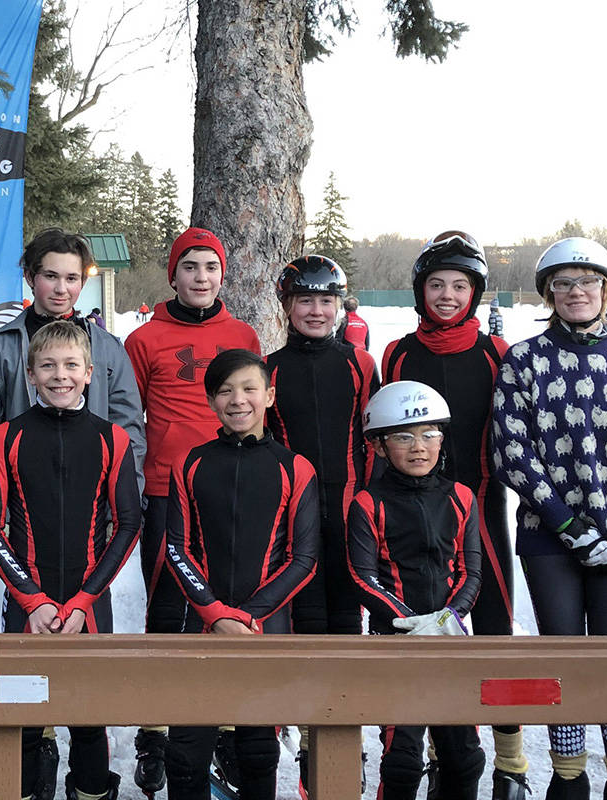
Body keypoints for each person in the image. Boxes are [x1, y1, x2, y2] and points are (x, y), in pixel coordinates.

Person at [0, 228, 144, 800]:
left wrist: (114, 488)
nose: (61, 286)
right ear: (30, 277)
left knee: (89, 704)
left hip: (89, 551)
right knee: (25, 697)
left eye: (72, 277)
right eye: (51, 275)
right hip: (26, 541)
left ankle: (90, 785)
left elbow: (129, 430)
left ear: (87, 370)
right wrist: (4, 488)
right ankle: (30, 779)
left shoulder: (107, 350)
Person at [492, 237, 607, 800]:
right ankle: (567, 777)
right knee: (562, 655)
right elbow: (510, 451)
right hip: (551, 540)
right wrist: (565, 524)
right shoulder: (524, 361)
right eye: (564, 284)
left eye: (587, 282)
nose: (576, 292)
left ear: (605, 291)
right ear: (548, 292)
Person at [380, 230, 525, 798]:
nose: (446, 295)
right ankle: (443, 752)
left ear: (475, 292)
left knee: (492, 628)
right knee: (424, 628)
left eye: (459, 286)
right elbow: (384, 434)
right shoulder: (398, 352)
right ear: (420, 291)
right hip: (416, 513)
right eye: (436, 284)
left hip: (481, 509)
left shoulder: (497, 354)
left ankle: (510, 760)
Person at [123, 227, 260, 795]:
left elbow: (251, 405)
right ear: (173, 275)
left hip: (228, 490)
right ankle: (155, 729)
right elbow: (128, 418)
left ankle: (225, 726)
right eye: (191, 267)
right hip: (165, 490)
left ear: (221, 274)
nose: (201, 277)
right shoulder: (145, 338)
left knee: (226, 601)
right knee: (167, 606)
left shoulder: (242, 333)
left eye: (211, 267)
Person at [163, 349, 320, 800]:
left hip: (264, 628)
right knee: (185, 753)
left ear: (269, 395)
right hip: (201, 624)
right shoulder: (190, 463)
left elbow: (303, 557)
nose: (238, 400)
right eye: (226, 391)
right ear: (211, 401)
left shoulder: (295, 467)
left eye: (250, 388)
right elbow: (178, 547)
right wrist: (215, 613)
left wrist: (248, 617)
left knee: (257, 752)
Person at [263, 255, 378, 795]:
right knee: (307, 624)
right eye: (304, 300)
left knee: (346, 624)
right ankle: (312, 744)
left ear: (340, 305)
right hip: (298, 515)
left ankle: (346, 740)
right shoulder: (271, 369)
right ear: (286, 306)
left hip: (351, 510)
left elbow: (373, 437)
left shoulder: (361, 364)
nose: (315, 310)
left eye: (326, 300)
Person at [347, 381, 485, 800]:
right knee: (402, 760)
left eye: (429, 434)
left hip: (450, 639)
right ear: (380, 446)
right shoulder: (368, 502)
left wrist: (448, 618)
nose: (419, 447)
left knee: (464, 757)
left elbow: (470, 570)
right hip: (396, 643)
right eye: (404, 437)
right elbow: (361, 575)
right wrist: (409, 623)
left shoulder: (460, 497)